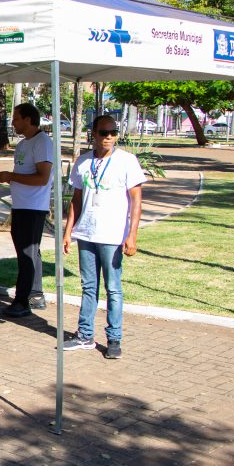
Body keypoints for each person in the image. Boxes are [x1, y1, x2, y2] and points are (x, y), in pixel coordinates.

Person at [62, 115, 146, 359]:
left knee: (113, 288)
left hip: (112, 235)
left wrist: (132, 236)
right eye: (103, 132)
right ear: (93, 134)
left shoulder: (127, 161)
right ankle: (85, 335)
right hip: (86, 233)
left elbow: (136, 201)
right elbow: (76, 200)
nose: (108, 136)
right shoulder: (84, 162)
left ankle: (114, 339)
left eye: (113, 132)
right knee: (88, 286)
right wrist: (68, 232)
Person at [0, 104, 54, 318]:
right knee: (29, 252)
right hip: (20, 205)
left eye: (16, 119)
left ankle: (21, 301)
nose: (13, 123)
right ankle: (35, 294)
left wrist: (11, 176)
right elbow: (22, 175)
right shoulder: (22, 144)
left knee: (27, 254)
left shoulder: (43, 142)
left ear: (28, 119)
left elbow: (42, 178)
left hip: (34, 207)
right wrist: (4, 177)